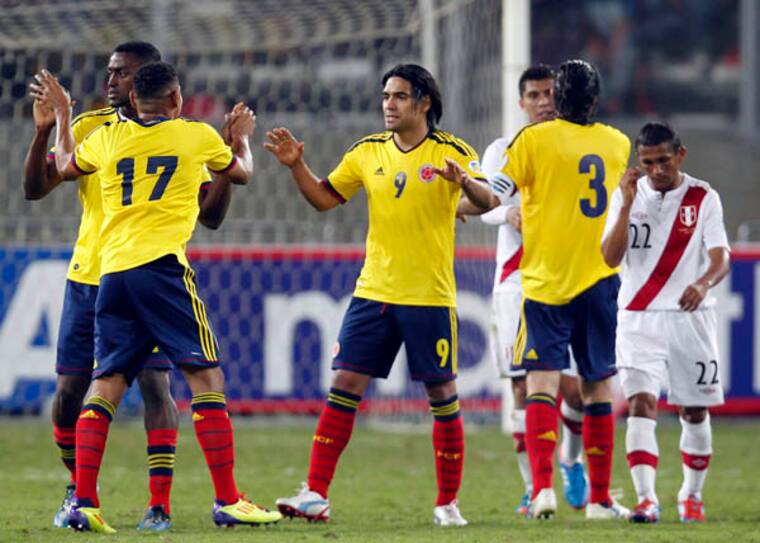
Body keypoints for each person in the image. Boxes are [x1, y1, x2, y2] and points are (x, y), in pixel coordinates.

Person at [35, 61, 282, 532]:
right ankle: (228, 499)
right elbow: (243, 173)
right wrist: (241, 141)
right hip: (163, 269)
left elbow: (64, 167)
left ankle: (84, 501)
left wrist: (64, 116)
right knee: (205, 376)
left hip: (112, 274)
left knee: (107, 382)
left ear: (133, 99)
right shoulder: (194, 135)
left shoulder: (108, 138)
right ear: (175, 99)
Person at [264, 63, 493, 527]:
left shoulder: (452, 151)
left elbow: (488, 200)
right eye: (386, 96)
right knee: (344, 384)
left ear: (424, 103)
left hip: (429, 296)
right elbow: (324, 199)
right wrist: (296, 166)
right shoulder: (366, 151)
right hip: (373, 292)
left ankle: (447, 503)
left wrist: (463, 182)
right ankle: (315, 494)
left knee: (442, 393)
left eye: (399, 96)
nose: (389, 104)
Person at [494, 59, 630, 520]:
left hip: (545, 281)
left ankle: (542, 490)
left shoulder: (532, 140)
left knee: (540, 385)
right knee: (597, 387)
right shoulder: (617, 143)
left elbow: (496, 193)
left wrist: (466, 189)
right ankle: (600, 499)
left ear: (556, 96)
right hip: (598, 280)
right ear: (594, 99)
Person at [601, 122, 730, 523]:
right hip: (638, 318)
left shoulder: (703, 197)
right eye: (648, 162)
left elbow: (721, 255)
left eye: (664, 160)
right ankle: (646, 500)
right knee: (640, 404)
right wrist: (625, 204)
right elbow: (609, 257)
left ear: (680, 155)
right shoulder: (625, 196)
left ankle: (692, 495)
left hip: (689, 318)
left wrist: (703, 283)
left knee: (693, 411)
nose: (656, 170)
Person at [478, 65, 589, 515]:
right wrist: (507, 214)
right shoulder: (503, 150)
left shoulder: (577, 147)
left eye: (550, 93)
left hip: (569, 278)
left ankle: (571, 460)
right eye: (535, 95)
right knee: (523, 388)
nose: (544, 102)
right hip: (517, 283)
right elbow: (483, 201)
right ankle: (532, 487)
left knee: (577, 391)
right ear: (522, 102)